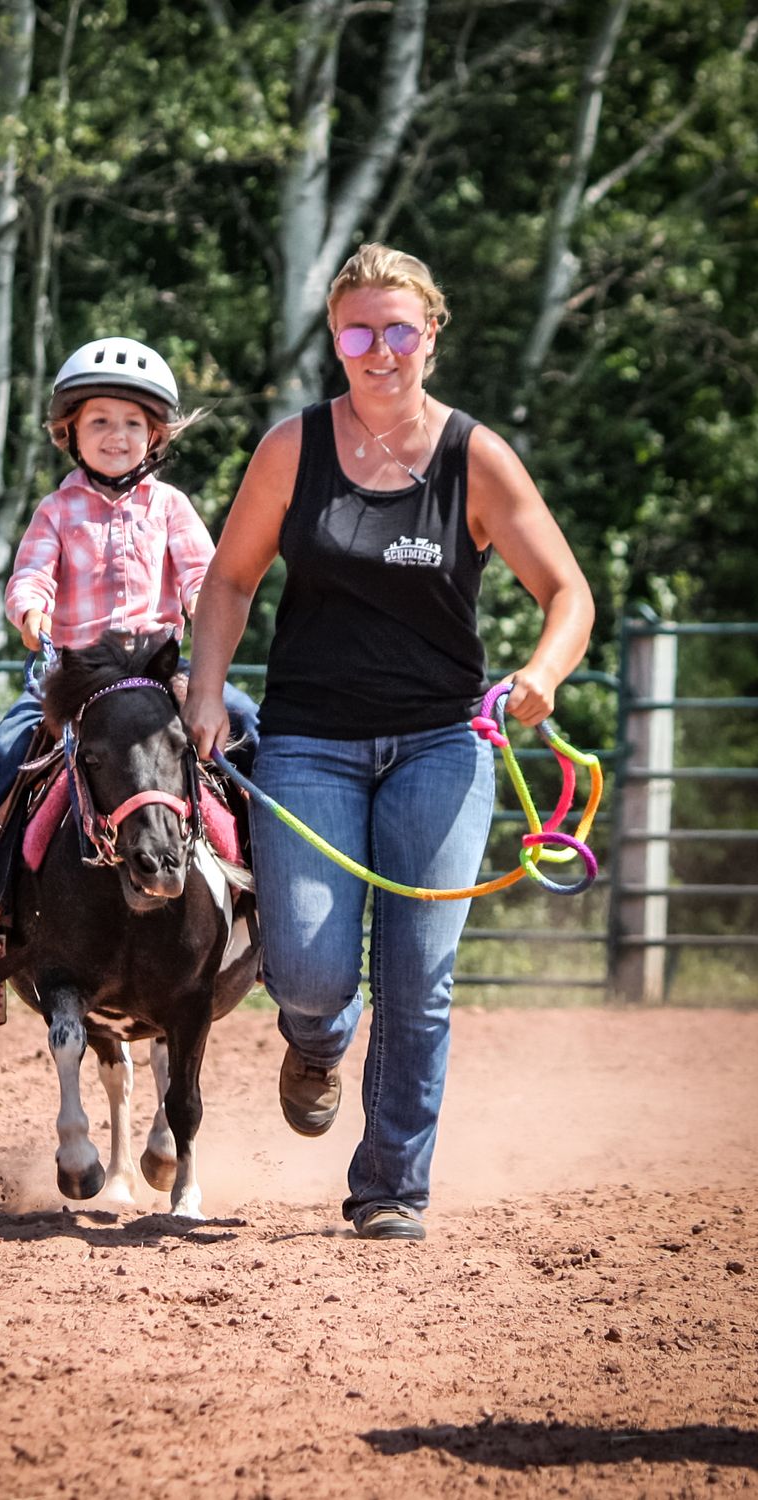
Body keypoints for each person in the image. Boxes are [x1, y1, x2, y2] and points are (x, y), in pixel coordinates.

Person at [183, 242, 595, 1242]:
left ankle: (390, 1188)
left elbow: (568, 594)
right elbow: (231, 580)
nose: (379, 351)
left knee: (419, 980)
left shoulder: (474, 458)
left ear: (431, 336)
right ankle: (315, 1041)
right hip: (308, 744)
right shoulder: (293, 449)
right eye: (359, 332)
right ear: (336, 340)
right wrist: (203, 691)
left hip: (442, 746)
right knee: (313, 974)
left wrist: (540, 674)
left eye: (397, 331)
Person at [0, 335, 258, 830]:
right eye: (99, 421)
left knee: (249, 725)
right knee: (5, 745)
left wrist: (200, 606)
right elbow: (32, 574)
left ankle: (264, 862)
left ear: (154, 436)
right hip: (76, 671)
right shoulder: (56, 511)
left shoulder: (170, 506)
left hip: (158, 668)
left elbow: (202, 579)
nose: (116, 435)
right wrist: (32, 611)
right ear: (70, 431)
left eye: (132, 423)